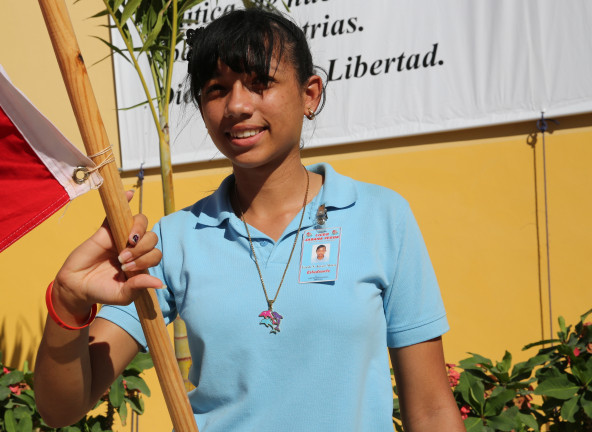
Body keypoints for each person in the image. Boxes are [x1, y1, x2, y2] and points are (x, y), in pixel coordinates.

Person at [34, 8, 464, 431]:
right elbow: (60, 409)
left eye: (260, 83)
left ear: (310, 94)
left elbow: (431, 411)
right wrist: (69, 301)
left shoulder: (381, 217)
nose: (237, 105)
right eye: (217, 89)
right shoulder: (169, 242)